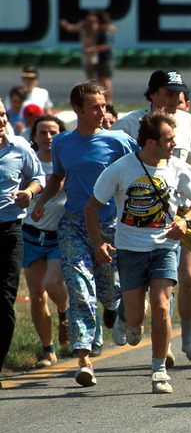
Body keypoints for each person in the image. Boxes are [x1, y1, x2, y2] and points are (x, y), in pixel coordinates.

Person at [86, 109, 191, 393]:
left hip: (165, 247)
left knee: (162, 307)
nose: (174, 144)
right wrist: (97, 243)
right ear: (150, 142)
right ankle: (129, 315)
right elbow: (91, 208)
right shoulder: (120, 168)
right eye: (169, 139)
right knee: (137, 318)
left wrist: (185, 221)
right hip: (129, 250)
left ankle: (159, 372)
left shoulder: (179, 168)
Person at [32, 80, 138, 387]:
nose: (102, 112)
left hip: (112, 228)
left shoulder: (119, 141)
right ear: (78, 110)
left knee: (107, 292)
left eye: (104, 106)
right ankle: (85, 359)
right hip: (74, 226)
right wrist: (41, 203)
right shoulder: (63, 143)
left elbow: (140, 169)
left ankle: (114, 307)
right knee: (80, 292)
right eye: (95, 107)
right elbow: (58, 178)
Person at [113, 69, 191, 363]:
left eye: (180, 94)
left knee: (183, 277)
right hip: (138, 215)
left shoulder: (189, 122)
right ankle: (129, 313)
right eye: (170, 93)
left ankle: (181, 338)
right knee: (146, 280)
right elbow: (114, 166)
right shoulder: (128, 123)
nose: (177, 99)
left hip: (182, 213)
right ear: (153, 94)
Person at [0, 99, 46, 372]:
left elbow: (38, 176)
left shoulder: (18, 147)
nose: (1, 120)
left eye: (3, 114)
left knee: (4, 300)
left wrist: (28, 193)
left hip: (9, 232)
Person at [23, 115, 70, 368]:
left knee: (53, 285)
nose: (48, 137)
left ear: (61, 135)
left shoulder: (68, 160)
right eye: (43, 133)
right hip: (30, 234)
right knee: (37, 295)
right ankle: (47, 350)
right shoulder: (28, 161)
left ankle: (64, 312)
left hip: (60, 235)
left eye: (53, 132)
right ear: (34, 137)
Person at [60, 11, 100, 81]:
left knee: (97, 71)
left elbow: (110, 28)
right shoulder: (83, 25)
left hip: (95, 52)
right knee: (88, 71)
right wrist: (65, 25)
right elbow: (72, 28)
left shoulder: (98, 26)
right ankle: (92, 84)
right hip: (86, 52)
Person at [86, 11, 115, 102]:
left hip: (106, 59)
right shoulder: (102, 29)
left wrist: (93, 49)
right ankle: (105, 98)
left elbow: (106, 46)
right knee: (100, 80)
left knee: (105, 80)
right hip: (101, 59)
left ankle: (108, 100)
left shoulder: (105, 31)